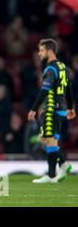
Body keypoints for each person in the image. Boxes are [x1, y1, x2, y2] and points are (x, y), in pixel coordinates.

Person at [28, 38, 74, 183]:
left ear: (49, 51)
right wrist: (71, 107)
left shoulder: (50, 69)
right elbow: (68, 88)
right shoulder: (63, 67)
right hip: (60, 109)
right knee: (45, 139)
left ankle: (53, 173)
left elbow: (44, 90)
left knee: (50, 141)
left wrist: (34, 109)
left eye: (41, 50)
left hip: (51, 109)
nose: (39, 54)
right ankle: (60, 167)